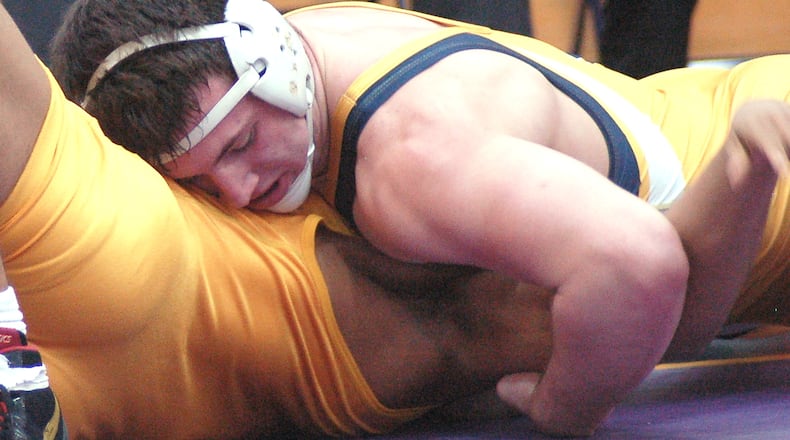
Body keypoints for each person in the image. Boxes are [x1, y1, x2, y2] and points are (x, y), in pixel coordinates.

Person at [49, 0, 790, 435]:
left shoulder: (406, 167)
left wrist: (566, 402)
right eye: (204, 184)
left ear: (270, 51)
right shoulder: (318, 30)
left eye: (241, 143)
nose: (240, 190)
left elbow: (647, 269)